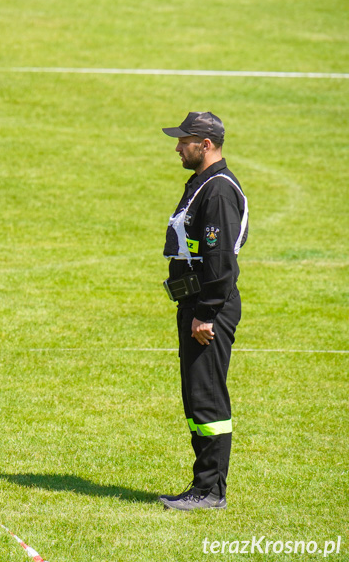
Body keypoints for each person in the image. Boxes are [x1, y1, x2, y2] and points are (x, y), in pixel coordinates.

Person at [158, 112, 248, 511]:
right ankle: (202, 485)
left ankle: (211, 491)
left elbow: (221, 262)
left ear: (206, 145)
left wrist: (207, 313)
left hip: (208, 309)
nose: (178, 147)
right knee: (196, 399)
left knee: (208, 399)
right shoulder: (203, 184)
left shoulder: (219, 192)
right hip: (193, 304)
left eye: (184, 141)